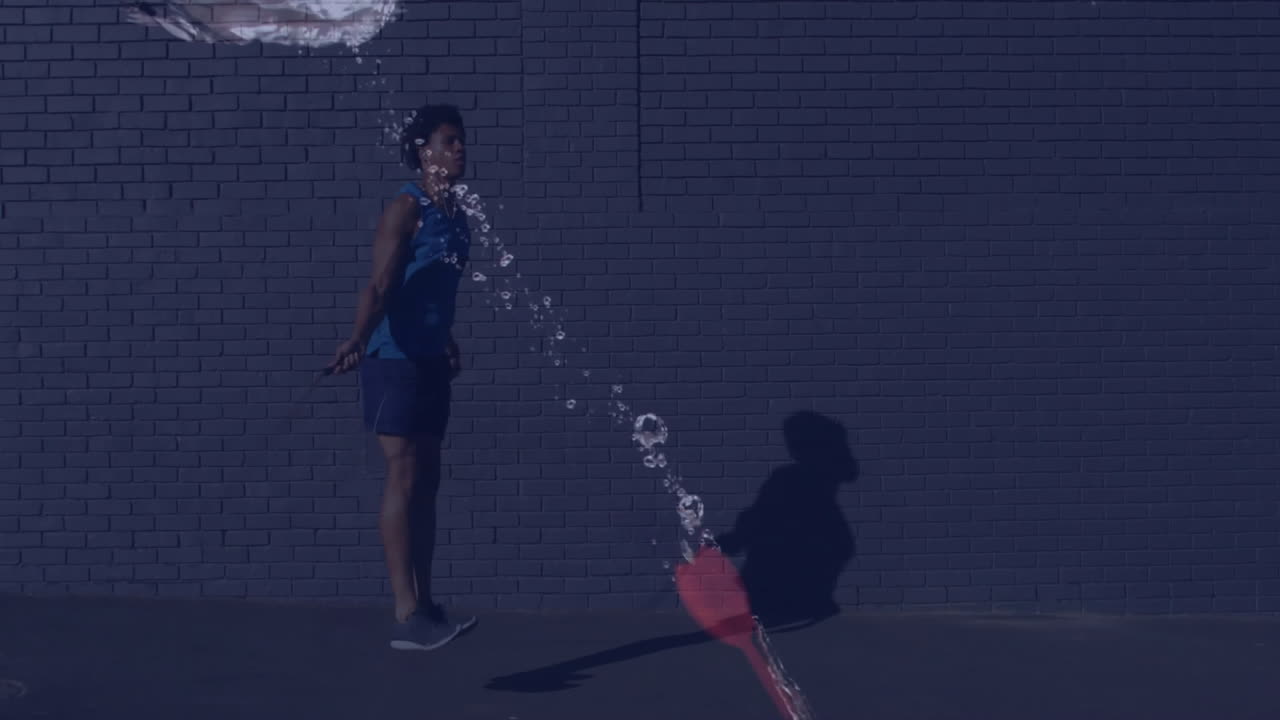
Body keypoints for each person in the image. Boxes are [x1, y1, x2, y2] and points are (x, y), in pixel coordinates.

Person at [329, 102, 477, 651]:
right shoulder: (405, 208)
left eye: (462, 141)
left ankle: (427, 601)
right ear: (423, 151)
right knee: (404, 475)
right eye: (448, 141)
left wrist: (448, 340)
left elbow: (431, 287)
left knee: (429, 483)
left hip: (432, 360)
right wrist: (357, 339)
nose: (460, 149)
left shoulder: (458, 212)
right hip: (392, 358)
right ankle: (405, 610)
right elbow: (382, 283)